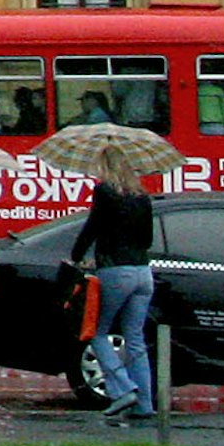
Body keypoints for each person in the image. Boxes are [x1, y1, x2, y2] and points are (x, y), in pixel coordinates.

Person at [73, 173, 158, 424]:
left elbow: (92, 227)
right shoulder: (142, 196)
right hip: (144, 272)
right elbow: (147, 239)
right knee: (135, 338)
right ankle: (145, 403)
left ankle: (123, 390)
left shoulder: (104, 192)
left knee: (96, 332)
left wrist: (78, 255)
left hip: (115, 269)